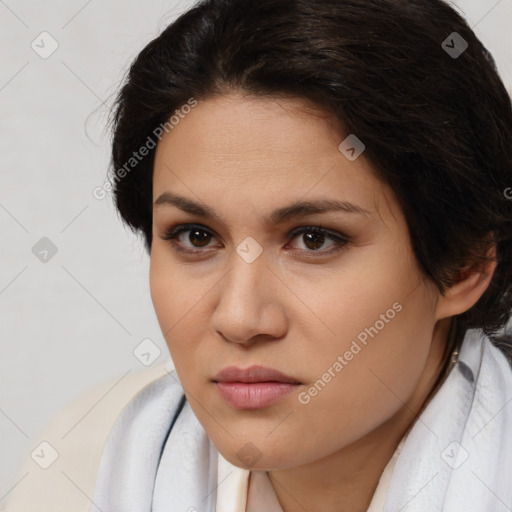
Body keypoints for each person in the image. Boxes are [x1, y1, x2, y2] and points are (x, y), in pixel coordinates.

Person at [5, 0, 512, 511]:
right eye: (196, 237)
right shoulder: (82, 465)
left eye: (314, 239)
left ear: (464, 265)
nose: (240, 319)